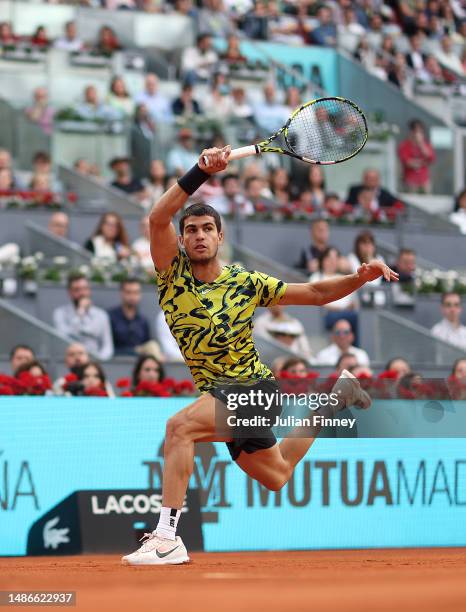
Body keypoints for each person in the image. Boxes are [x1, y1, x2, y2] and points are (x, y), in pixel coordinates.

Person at [121, 145, 397, 565]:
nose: (198, 235)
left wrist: (359, 277)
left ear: (219, 237)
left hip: (253, 388)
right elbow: (157, 216)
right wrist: (199, 171)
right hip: (219, 393)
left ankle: (167, 537)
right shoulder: (170, 274)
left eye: (205, 229)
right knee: (278, 474)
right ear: (181, 239)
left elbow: (319, 293)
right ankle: (338, 396)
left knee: (179, 429)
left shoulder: (247, 282)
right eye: (191, 229)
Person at [53, 273, 114, 360]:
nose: (82, 293)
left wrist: (100, 360)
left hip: (95, 362)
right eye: (77, 290)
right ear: (69, 292)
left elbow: (107, 345)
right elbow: (64, 338)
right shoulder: (60, 313)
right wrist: (80, 312)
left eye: (85, 289)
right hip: (71, 361)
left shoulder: (101, 315)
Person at [108, 279, 151, 355]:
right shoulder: (110, 317)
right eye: (128, 292)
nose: (132, 296)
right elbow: (107, 349)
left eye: (136, 292)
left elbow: (146, 345)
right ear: (121, 293)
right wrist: (134, 351)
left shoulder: (143, 320)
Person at [398, 120, 435, 193]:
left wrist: (421, 144)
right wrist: (422, 163)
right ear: (411, 132)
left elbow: (431, 158)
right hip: (410, 181)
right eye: (416, 131)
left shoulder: (426, 145)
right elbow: (407, 162)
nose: (418, 134)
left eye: (420, 132)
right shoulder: (405, 145)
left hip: (424, 180)